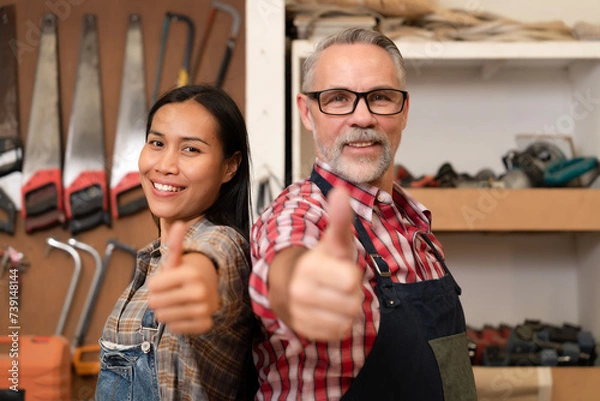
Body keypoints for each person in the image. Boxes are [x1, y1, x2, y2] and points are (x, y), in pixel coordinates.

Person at [249, 28, 477, 400]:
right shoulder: (300, 211)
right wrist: (298, 286)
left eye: (380, 98)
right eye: (338, 99)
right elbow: (286, 258)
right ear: (307, 112)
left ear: (403, 111)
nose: (362, 117)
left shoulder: (414, 224)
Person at [96, 85, 258, 401]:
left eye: (191, 150)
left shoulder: (223, 242)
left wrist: (199, 273)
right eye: (157, 143)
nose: (166, 165)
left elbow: (211, 260)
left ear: (230, 166)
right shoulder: (153, 257)